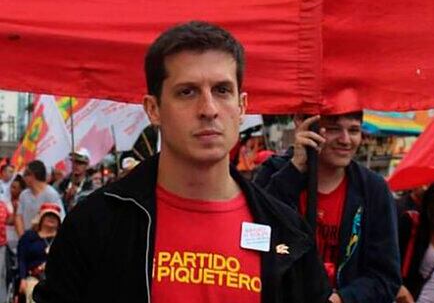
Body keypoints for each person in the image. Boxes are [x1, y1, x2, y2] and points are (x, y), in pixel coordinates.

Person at [33, 21, 331, 303]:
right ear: (153, 109)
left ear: (242, 107)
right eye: (187, 92)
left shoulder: (287, 232)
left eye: (222, 90)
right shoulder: (96, 224)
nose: (209, 109)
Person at [254, 112, 401, 303]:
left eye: (354, 130)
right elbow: (255, 237)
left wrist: (341, 299)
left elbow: (386, 278)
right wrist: (294, 171)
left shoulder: (373, 190)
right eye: (333, 129)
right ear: (304, 125)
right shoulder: (274, 173)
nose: (346, 140)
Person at [18, 203, 62, 303]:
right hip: (33, 276)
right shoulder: (28, 237)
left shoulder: (63, 239)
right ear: (41, 219)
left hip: (57, 278)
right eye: (48, 216)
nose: (51, 218)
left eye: (54, 216)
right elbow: (22, 259)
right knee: (33, 293)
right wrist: (22, 279)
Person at [15, 161, 65, 237]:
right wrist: (23, 238)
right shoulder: (24, 195)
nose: (23, 178)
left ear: (32, 176)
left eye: (25, 175)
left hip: (45, 240)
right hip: (27, 239)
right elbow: (19, 216)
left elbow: (60, 218)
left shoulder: (51, 194)